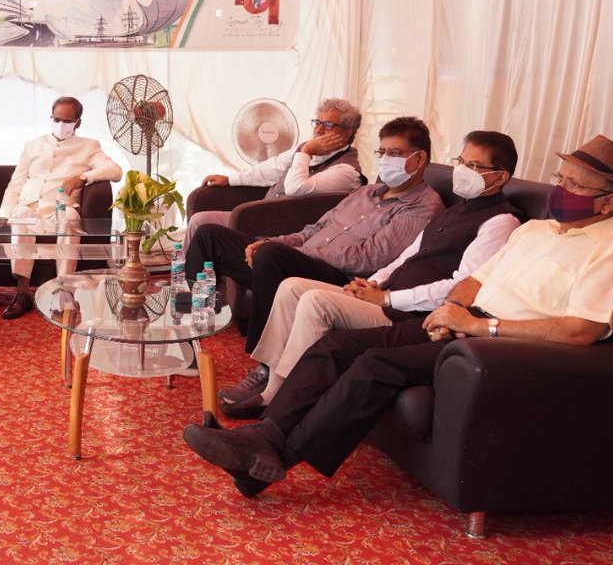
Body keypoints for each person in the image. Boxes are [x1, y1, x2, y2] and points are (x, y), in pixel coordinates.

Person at [182, 135, 613, 498]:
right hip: (461, 322)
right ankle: (263, 442)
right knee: (334, 345)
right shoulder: (539, 230)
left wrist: (482, 327)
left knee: (374, 365)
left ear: (609, 202)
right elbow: (475, 279)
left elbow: (583, 329)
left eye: (576, 185)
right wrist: (456, 309)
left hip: (502, 346)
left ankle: (269, 456)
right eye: (560, 178)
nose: (561, 190)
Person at [219, 131, 523, 418]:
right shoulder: (456, 210)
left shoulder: (501, 222)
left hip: (411, 315)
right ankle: (268, 375)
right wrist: (372, 282)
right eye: (461, 162)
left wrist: (388, 297)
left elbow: (461, 286)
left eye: (474, 165)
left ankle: (277, 397)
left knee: (315, 301)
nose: (463, 171)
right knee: (292, 287)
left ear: (500, 176)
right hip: (383, 294)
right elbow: (408, 256)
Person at [187, 116, 444, 352]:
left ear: (419, 159)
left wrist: (290, 251)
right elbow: (314, 230)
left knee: (271, 256)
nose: (386, 159)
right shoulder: (368, 192)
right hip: (299, 259)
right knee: (210, 234)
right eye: (382, 152)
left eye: (395, 153)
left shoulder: (421, 207)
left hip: (339, 278)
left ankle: (259, 359)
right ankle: (194, 321)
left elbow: (369, 259)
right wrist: (271, 242)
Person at [0, 96, 122, 319]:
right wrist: (3, 213)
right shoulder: (32, 145)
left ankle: (63, 292)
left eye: (66, 121)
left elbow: (115, 170)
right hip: (30, 206)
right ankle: (22, 292)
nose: (60, 125)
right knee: (20, 215)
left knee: (71, 219)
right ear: (51, 118)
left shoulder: (89, 146)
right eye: (56, 119)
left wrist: (83, 177)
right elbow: (16, 183)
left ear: (77, 123)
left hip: (61, 208)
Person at [185, 98, 366, 250]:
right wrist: (230, 179)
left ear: (347, 132)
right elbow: (273, 167)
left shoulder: (346, 171)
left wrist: (307, 151)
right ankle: (194, 281)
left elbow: (296, 188)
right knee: (198, 219)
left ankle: (190, 281)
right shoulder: (305, 149)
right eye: (317, 122)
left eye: (328, 124)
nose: (319, 129)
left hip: (287, 229)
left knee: (200, 221)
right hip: (261, 216)